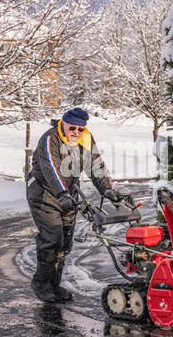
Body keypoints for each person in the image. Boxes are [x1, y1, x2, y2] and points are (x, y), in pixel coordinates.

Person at [26, 107, 122, 303]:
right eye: (73, 128)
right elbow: (51, 168)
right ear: (64, 124)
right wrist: (62, 193)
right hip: (44, 192)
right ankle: (41, 283)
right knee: (52, 237)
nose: (76, 133)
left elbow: (96, 164)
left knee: (66, 240)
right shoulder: (50, 138)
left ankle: (54, 285)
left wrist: (106, 190)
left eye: (80, 129)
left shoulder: (85, 138)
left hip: (68, 194)